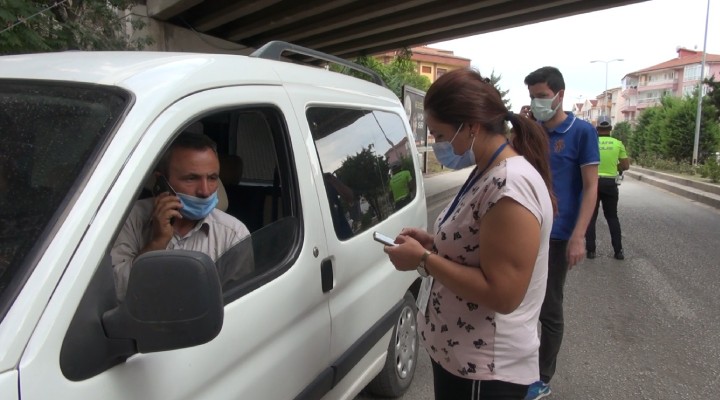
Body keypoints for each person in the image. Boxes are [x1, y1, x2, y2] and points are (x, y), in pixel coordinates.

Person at [384, 68, 555, 400]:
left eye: (440, 134)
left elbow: (503, 293)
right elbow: (479, 245)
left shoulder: (510, 186)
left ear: (472, 126)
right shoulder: (486, 169)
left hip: (486, 372)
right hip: (460, 357)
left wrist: (424, 260)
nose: (437, 144)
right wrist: (434, 243)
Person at [521, 67, 600, 399]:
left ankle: (541, 378)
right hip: (526, 229)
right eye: (532, 97)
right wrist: (521, 127)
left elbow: (591, 185)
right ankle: (516, 368)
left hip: (558, 234)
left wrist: (579, 235)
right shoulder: (532, 131)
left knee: (549, 307)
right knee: (517, 302)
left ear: (559, 95)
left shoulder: (581, 132)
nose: (537, 103)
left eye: (541, 96)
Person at [111, 131, 251, 301]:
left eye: (212, 178)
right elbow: (115, 294)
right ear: (161, 181)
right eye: (191, 178)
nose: (205, 191)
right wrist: (157, 242)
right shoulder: (128, 219)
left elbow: (238, 306)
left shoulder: (233, 234)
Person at [585, 115, 630, 260]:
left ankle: (591, 251)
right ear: (610, 128)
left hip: (593, 183)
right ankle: (618, 251)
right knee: (612, 217)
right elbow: (625, 165)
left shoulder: (591, 143)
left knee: (591, 217)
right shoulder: (618, 144)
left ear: (597, 128)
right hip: (610, 184)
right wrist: (614, 167)